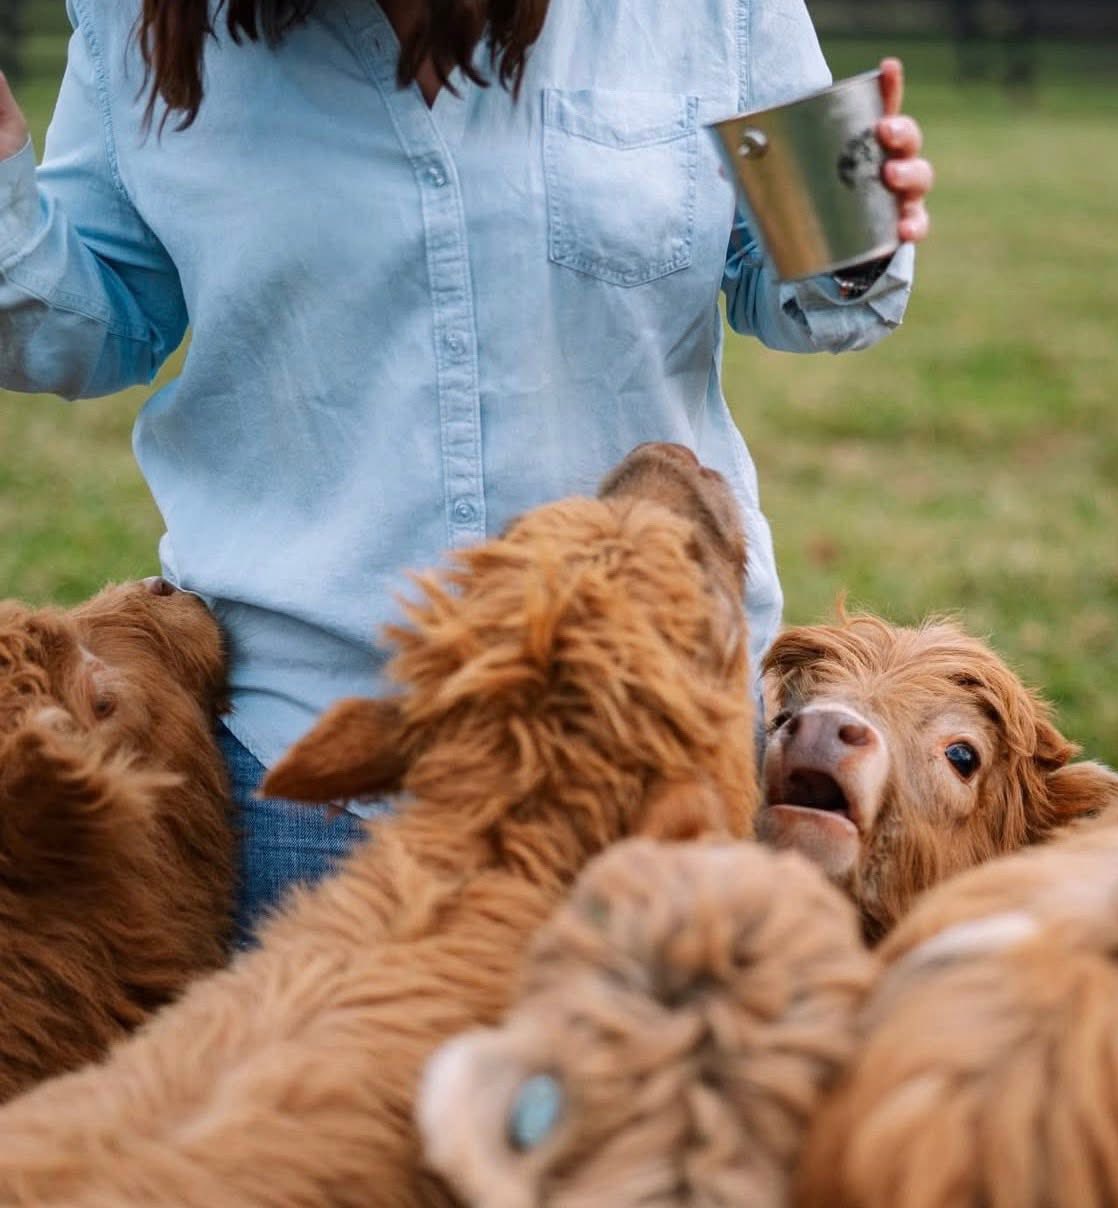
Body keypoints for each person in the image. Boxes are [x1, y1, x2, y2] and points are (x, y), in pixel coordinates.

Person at [0, 0, 934, 939]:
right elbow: (93, 318)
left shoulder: (717, 13)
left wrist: (859, 232)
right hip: (307, 770)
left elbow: (812, 291)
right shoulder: (133, 22)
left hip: (659, 747)